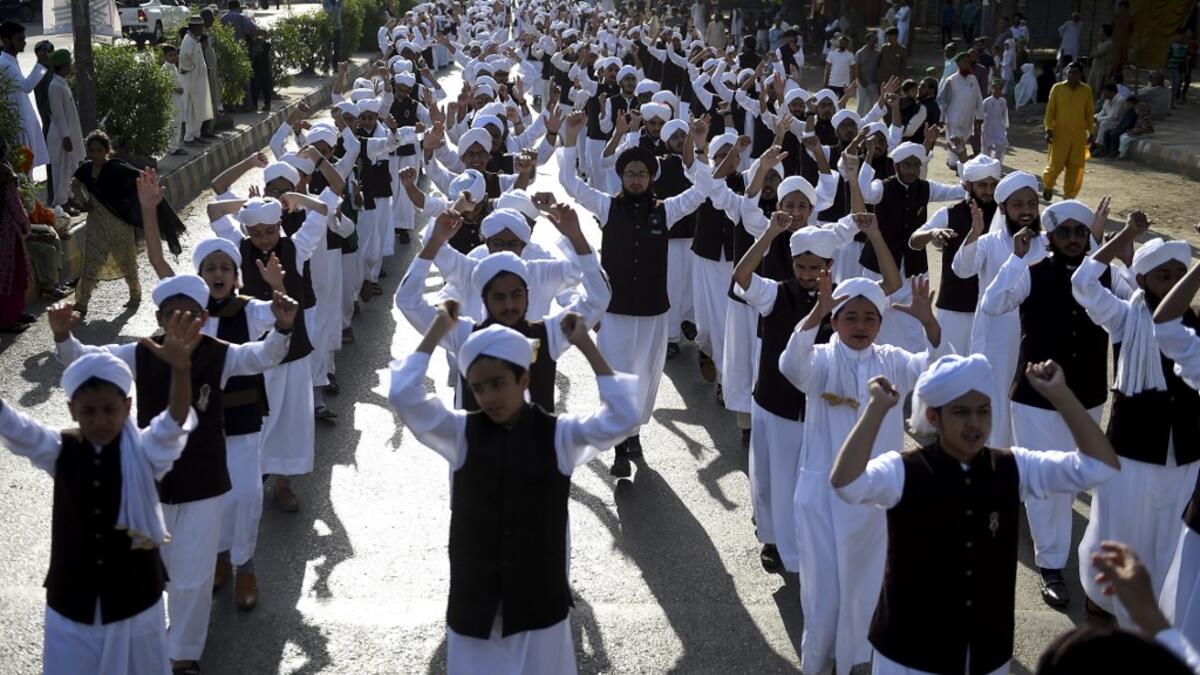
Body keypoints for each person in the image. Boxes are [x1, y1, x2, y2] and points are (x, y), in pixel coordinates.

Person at [51, 270, 295, 674]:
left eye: (191, 315)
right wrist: (63, 337)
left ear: (204, 318)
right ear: (160, 319)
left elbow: (263, 356)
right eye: (173, 315)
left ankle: (183, 654)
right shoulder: (141, 353)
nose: (182, 322)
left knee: (193, 576)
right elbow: (91, 361)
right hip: (150, 483)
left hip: (205, 483)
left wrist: (283, 328)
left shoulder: (220, 353)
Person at [832, 354, 1120, 675]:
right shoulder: (904, 470)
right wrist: (875, 409)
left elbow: (1101, 467)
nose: (974, 423)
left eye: (983, 411)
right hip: (908, 654)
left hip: (986, 653)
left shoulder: (1012, 466)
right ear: (933, 416)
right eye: (961, 412)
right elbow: (846, 483)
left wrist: (1061, 395)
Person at [388, 309, 638, 675]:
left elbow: (623, 417)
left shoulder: (559, 435)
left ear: (524, 379)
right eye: (478, 388)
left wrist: (586, 344)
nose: (489, 397)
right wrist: (438, 329)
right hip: (476, 610)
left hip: (539, 607)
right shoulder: (460, 433)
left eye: (497, 383)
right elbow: (403, 394)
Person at [778, 266, 944, 674]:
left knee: (866, 591)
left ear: (880, 325)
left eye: (870, 318)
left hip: (874, 500)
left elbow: (936, 373)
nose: (861, 326)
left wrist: (929, 323)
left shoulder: (892, 361)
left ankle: (857, 662)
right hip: (822, 497)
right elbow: (790, 366)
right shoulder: (820, 359)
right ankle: (818, 665)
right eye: (850, 317)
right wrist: (815, 312)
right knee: (824, 596)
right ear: (835, 322)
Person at [0, 335, 198, 674]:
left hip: (136, 603)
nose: (99, 421)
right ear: (71, 409)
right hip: (72, 605)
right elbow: (18, 429)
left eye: (109, 409)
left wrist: (181, 371)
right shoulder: (61, 449)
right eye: (88, 411)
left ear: (127, 406)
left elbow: (174, 423)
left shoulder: (146, 452)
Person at [558, 110, 712, 477]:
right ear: (622, 177)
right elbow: (569, 182)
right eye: (630, 174)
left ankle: (633, 434)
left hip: (654, 312)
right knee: (617, 377)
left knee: (645, 378)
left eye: (642, 174)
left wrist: (701, 146)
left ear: (650, 177)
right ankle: (619, 448)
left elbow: (702, 191)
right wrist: (570, 138)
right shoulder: (607, 207)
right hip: (616, 313)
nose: (636, 179)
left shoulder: (665, 210)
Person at [1071, 213, 1200, 624]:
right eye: (1163, 276)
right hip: (1132, 450)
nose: (1173, 284)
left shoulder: (1195, 327)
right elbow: (1083, 283)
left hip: (1185, 454)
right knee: (1122, 529)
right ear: (1142, 280)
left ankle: (1156, 612)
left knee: (1170, 538)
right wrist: (1126, 234)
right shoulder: (1126, 318)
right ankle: (1105, 601)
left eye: (1180, 276)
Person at [980, 198, 1109, 608]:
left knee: (1071, 481)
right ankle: (1051, 564)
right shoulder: (1031, 272)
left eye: (1080, 232)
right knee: (1044, 481)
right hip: (1034, 397)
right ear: (1049, 237)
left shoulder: (1108, 276)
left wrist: (1117, 247)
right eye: (1064, 232)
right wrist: (1016, 259)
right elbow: (992, 304)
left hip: (1086, 394)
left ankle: (1061, 549)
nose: (1073, 239)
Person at [71, 131, 187, 317]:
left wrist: (145, 192)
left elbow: (138, 177)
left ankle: (135, 293)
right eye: (91, 150)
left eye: (99, 150)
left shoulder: (116, 168)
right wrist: (84, 203)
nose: (95, 154)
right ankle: (82, 302)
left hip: (119, 224)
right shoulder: (85, 170)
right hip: (96, 225)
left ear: (107, 151)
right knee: (91, 262)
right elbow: (75, 185)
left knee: (126, 261)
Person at [909, 153, 1001, 354]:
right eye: (982, 185)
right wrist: (932, 233)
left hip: (992, 310)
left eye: (993, 185)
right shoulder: (949, 214)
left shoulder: (1004, 216)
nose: (988, 191)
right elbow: (914, 240)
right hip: (954, 307)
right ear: (968, 185)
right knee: (948, 365)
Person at [0, 21, 49, 171]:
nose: (24, 42)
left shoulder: (11, 61)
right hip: (17, 127)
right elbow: (26, 86)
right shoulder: (5, 64)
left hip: (22, 123)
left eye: (24, 38)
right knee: (22, 172)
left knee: (26, 170)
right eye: (19, 39)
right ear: (6, 41)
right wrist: (41, 63)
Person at [1042, 62, 1094, 201]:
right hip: (1060, 134)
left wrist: (1092, 132)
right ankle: (1048, 186)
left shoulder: (1086, 90)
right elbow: (1050, 111)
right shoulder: (1057, 88)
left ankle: (1069, 197)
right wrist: (1048, 129)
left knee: (1075, 167)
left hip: (1079, 136)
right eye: (1069, 72)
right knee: (1056, 164)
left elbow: (1089, 113)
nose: (1071, 75)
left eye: (1075, 72)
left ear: (1081, 74)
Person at [45, 50, 84, 208]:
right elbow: (58, 114)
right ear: (62, 66)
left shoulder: (62, 84)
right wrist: (66, 136)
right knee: (61, 172)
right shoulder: (55, 86)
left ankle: (68, 198)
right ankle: (61, 203)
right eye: (68, 64)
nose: (70, 66)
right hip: (61, 137)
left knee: (70, 169)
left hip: (69, 136)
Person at [0, 139, 30, 334]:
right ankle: (9, 318)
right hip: (7, 232)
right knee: (13, 273)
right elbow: (14, 203)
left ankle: (15, 313)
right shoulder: (4, 171)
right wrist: (24, 223)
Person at [180, 17, 214, 145]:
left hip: (199, 82)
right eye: (200, 27)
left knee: (199, 109)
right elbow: (184, 58)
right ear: (194, 27)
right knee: (191, 110)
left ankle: (196, 134)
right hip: (192, 82)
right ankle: (189, 137)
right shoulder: (188, 41)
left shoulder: (195, 40)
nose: (202, 29)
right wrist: (189, 68)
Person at [161, 45, 188, 156]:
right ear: (165, 56)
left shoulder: (173, 67)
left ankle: (173, 146)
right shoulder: (165, 68)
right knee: (174, 124)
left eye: (175, 55)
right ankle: (173, 148)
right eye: (170, 55)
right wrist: (176, 89)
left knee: (176, 123)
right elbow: (164, 84)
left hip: (176, 100)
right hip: (171, 101)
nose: (173, 57)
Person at [981, 79, 1009, 158]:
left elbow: (1004, 114)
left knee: (1001, 144)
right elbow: (981, 114)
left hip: (999, 126)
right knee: (986, 147)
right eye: (995, 88)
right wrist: (980, 125)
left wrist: (1005, 126)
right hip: (988, 126)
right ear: (992, 89)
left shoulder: (1003, 101)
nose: (997, 91)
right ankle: (986, 162)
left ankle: (997, 161)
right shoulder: (986, 101)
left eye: (999, 89)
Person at [855, 32, 881, 116]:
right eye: (872, 40)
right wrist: (861, 80)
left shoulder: (877, 53)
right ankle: (858, 121)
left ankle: (868, 122)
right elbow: (857, 68)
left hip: (873, 83)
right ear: (867, 41)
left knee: (870, 105)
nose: (874, 42)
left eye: (875, 41)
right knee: (861, 103)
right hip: (862, 82)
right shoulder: (860, 53)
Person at [824, 35, 856, 99]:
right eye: (841, 43)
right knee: (831, 101)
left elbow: (852, 71)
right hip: (832, 83)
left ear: (847, 44)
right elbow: (827, 69)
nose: (842, 44)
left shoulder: (850, 55)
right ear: (838, 43)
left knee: (842, 102)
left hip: (845, 85)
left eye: (844, 43)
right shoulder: (832, 54)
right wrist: (826, 82)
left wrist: (851, 84)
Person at [1111, 1, 1134, 79]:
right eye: (1120, 7)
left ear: (1126, 8)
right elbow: (1113, 28)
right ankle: (1112, 77)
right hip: (1115, 43)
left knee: (1121, 62)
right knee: (1115, 62)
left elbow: (1131, 31)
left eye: (1122, 7)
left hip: (1124, 43)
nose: (1120, 9)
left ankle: (1118, 78)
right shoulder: (1116, 18)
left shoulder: (1130, 19)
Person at [1089, 25, 1115, 95]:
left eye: (1101, 31)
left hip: (1101, 70)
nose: (1099, 33)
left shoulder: (1109, 43)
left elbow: (1098, 53)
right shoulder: (1100, 43)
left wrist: (1094, 53)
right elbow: (1092, 52)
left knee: (1098, 90)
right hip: (1094, 69)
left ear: (1105, 32)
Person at [1168, 30, 1190, 106]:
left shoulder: (1185, 46)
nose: (1181, 37)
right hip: (1172, 67)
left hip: (1179, 68)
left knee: (1177, 84)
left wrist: (1186, 68)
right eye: (1180, 36)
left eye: (1183, 36)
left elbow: (1186, 59)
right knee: (1173, 84)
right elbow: (1168, 56)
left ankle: (1171, 101)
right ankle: (1170, 102)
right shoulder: (1172, 45)